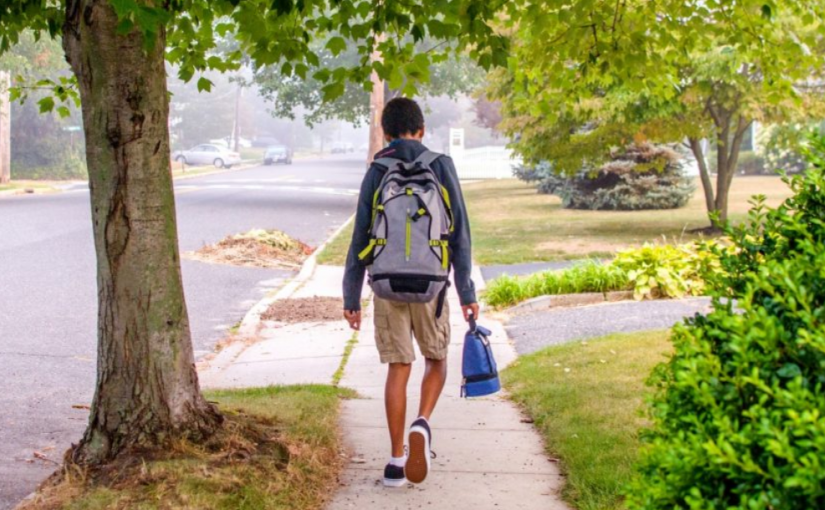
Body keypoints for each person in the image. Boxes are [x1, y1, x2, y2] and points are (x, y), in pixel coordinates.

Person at [342, 97, 479, 488]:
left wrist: (351, 296)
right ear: (421, 130)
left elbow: (360, 236)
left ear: (385, 133)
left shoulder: (378, 169)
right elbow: (460, 234)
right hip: (431, 285)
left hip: (386, 284)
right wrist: (466, 290)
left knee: (398, 368)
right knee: (435, 359)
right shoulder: (440, 165)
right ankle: (423, 422)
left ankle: (396, 459)